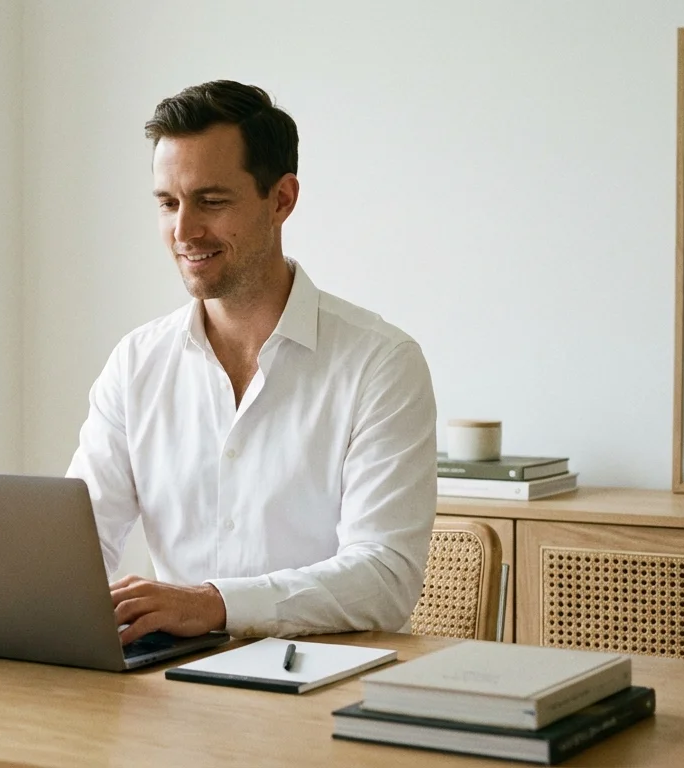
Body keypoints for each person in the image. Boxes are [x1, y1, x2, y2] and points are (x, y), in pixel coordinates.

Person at [66, 81, 437, 644]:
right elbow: (75, 545)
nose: (184, 232)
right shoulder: (136, 363)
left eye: (211, 201)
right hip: (175, 687)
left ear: (282, 199)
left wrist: (214, 604)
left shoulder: (380, 364)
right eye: (168, 203)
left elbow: (384, 578)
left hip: (322, 688)